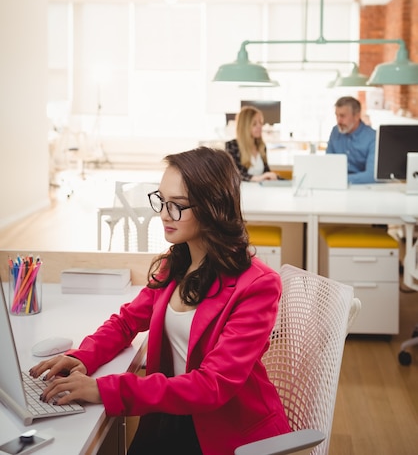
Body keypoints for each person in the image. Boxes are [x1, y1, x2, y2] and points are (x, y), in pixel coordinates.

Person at [29, 147, 291, 455]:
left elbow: (212, 385)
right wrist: (84, 356)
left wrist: (104, 389)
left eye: (177, 205)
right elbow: (127, 321)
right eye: (161, 201)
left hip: (226, 432)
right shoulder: (175, 262)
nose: (164, 215)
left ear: (213, 207)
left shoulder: (258, 285)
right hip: (171, 413)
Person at [326, 96, 376, 184]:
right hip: (336, 186)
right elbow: (328, 163)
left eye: (342, 116)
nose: (338, 121)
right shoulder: (335, 131)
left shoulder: (372, 137)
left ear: (356, 116)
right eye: (336, 116)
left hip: (362, 188)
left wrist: (342, 179)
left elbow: (372, 175)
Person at [225, 105, 282, 182]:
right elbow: (234, 174)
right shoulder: (232, 146)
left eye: (261, 123)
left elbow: (266, 172)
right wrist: (258, 178)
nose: (260, 126)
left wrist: (282, 179)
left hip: (261, 190)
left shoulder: (261, 146)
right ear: (245, 126)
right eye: (254, 124)